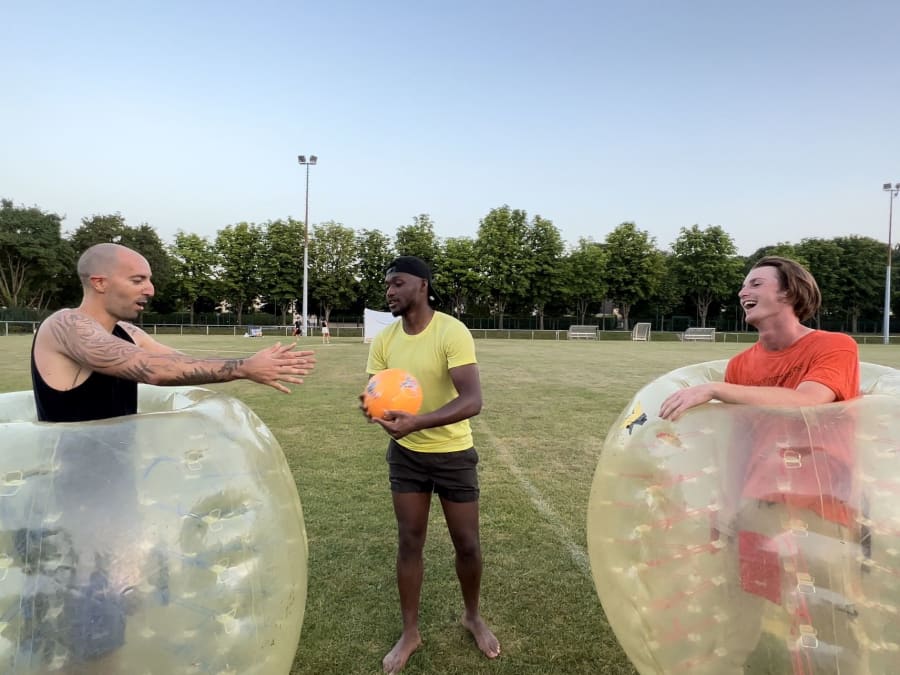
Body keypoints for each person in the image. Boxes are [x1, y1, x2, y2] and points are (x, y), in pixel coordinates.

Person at [659, 256, 861, 672]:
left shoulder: (835, 346)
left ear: (787, 292)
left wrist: (715, 389)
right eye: (743, 286)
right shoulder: (741, 366)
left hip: (821, 511)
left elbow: (808, 402)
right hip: (758, 509)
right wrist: (728, 506)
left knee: (827, 623)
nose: (742, 292)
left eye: (754, 283)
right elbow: (740, 446)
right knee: (741, 610)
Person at [363, 256, 500, 674]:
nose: (389, 291)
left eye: (398, 283)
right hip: (406, 456)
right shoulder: (386, 339)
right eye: (387, 285)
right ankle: (410, 632)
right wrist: (373, 411)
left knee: (467, 544)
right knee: (410, 541)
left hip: (453, 455)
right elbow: (374, 393)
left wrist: (417, 422)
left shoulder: (451, 331)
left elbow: (472, 400)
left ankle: (472, 615)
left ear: (422, 286)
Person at [32, 243, 316, 422]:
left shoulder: (128, 331)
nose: (150, 290)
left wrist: (252, 365)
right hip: (70, 489)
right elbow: (154, 370)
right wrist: (244, 367)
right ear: (100, 283)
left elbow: (179, 362)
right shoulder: (65, 326)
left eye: (149, 280)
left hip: (117, 477)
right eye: (138, 280)